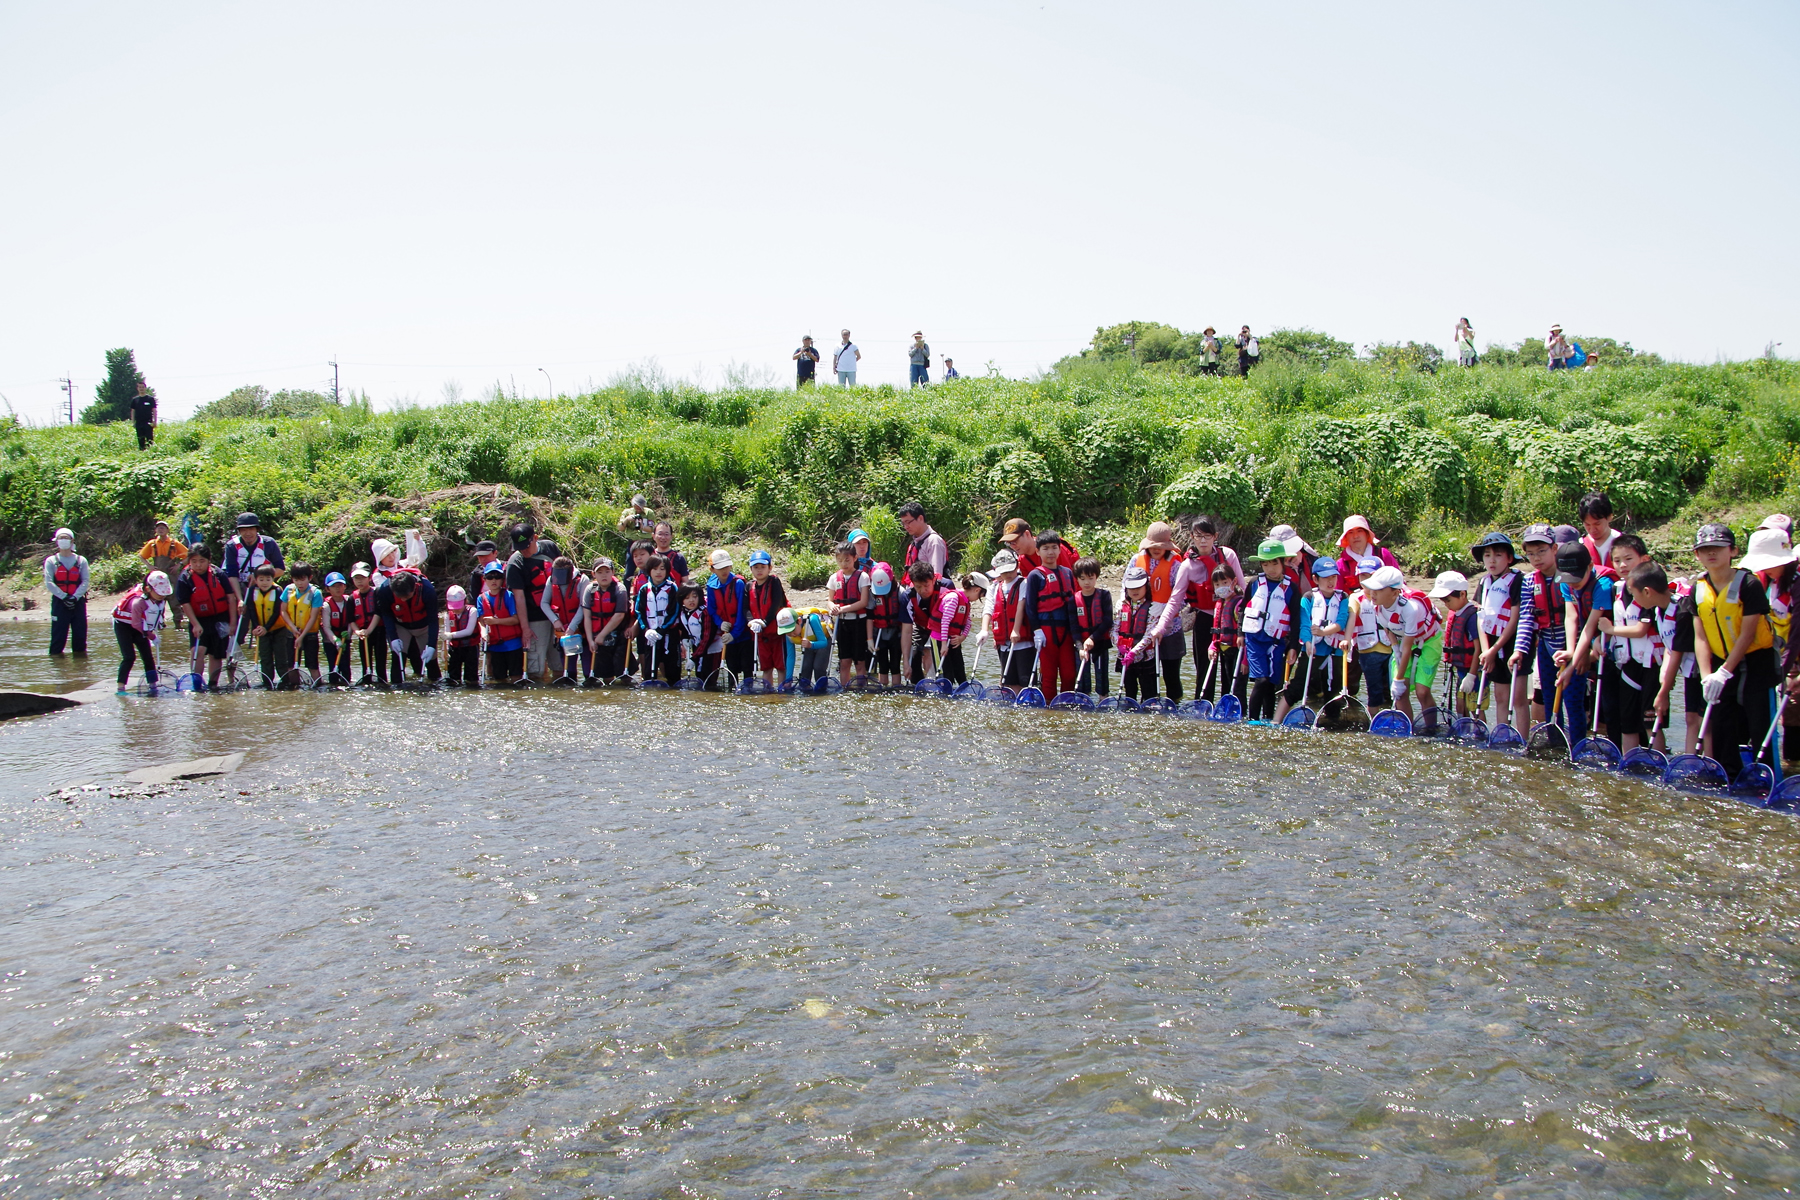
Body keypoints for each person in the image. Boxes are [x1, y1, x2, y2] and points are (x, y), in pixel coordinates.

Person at [1688, 523, 1779, 771]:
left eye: (1718, 548)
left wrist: (1725, 672)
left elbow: (1748, 634)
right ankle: (1728, 775)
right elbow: (1701, 637)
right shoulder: (1697, 589)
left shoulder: (1749, 584)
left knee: (1761, 726)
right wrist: (1707, 677)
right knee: (1721, 726)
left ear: (1733, 551)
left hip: (1755, 662)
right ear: (1697, 555)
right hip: (1718, 664)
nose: (1711, 554)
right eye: (1705, 549)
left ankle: (1766, 777)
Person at [1153, 517, 1243, 697]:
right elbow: (1175, 599)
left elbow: (1243, 590)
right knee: (1204, 671)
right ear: (1192, 537)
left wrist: (1245, 626)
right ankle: (1203, 708)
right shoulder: (1187, 566)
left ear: (1215, 537)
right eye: (1198, 536)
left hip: (1231, 620)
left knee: (1230, 671)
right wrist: (1160, 628)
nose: (1203, 540)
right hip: (1204, 619)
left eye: (1207, 536)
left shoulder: (1228, 556)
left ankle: (1231, 708)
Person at [1601, 562, 1675, 752]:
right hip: (1628, 664)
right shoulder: (1617, 591)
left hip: (1653, 665)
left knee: (1651, 722)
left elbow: (1647, 633)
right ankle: (1628, 763)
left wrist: (1610, 629)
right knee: (1627, 722)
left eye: (1628, 558)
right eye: (1616, 560)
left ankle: (1659, 761)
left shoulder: (1654, 601)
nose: (1622, 564)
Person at [1366, 565, 1444, 726]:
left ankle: (1431, 729)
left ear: (1395, 593)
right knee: (1400, 694)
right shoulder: (1376, 606)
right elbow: (1390, 632)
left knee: (1422, 691)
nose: (1372, 593)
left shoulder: (1410, 609)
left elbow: (1408, 647)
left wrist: (1399, 679)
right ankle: (1407, 731)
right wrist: (1395, 649)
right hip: (1402, 642)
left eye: (1378, 590)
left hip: (1427, 640)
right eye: (1371, 588)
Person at [1239, 538, 1301, 722]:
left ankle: (1268, 719)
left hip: (1277, 642)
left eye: (1274, 562)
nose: (1270, 568)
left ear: (1283, 562)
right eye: (1265, 564)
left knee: (1273, 683)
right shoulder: (1254, 583)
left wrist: (1294, 648)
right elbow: (1243, 608)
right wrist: (1240, 634)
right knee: (1262, 680)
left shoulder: (1292, 588)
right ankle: (1252, 720)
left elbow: (1296, 619)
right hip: (1255, 639)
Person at [1014, 530, 1080, 696]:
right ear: (1038, 551)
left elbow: (1073, 604)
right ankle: (1049, 709)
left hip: (1066, 631)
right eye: (1045, 548)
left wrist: (1077, 634)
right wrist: (1037, 631)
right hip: (1046, 631)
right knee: (1049, 675)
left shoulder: (1068, 573)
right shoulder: (1035, 575)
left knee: (1069, 674)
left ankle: (1066, 704)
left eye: (1054, 548)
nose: (1050, 552)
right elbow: (1030, 606)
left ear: (1059, 550)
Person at [1470, 532, 1525, 729]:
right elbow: (1481, 616)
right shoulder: (1484, 582)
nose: (1492, 560)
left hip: (1513, 642)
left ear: (1509, 558)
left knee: (1518, 698)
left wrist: (1495, 649)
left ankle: (1523, 740)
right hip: (1491, 644)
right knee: (1501, 696)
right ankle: (1502, 735)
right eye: (1487, 555)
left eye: (1498, 555)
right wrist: (1487, 651)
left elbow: (1515, 617)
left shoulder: (1517, 580)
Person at [1128, 521, 1185, 701]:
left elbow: (1183, 596)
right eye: (1153, 546)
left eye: (1161, 546)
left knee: (1171, 675)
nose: (1156, 550)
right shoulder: (1136, 560)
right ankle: (1148, 708)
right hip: (1142, 630)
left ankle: (1175, 706)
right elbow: (1126, 588)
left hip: (1170, 628)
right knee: (1148, 677)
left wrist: (1165, 608)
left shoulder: (1176, 565)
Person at [1290, 557, 1348, 718]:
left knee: (1333, 693)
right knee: (1301, 686)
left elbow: (1341, 622)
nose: (1331, 581)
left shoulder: (1342, 597)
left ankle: (1332, 723)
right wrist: (1307, 642)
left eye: (1334, 577)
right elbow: (1305, 624)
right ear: (1315, 579)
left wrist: (1323, 632)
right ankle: (1278, 718)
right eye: (1326, 577)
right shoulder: (1309, 598)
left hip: (1334, 653)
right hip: (1313, 650)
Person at [175, 545, 236, 690]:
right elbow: (185, 603)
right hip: (198, 619)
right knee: (198, 650)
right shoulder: (185, 578)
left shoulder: (218, 574)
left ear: (209, 560)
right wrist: (195, 624)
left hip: (220, 618)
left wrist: (232, 623)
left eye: (202, 561)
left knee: (216, 654)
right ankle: (197, 683)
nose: (198, 565)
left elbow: (231, 598)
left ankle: (213, 684)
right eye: (194, 561)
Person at [504, 523, 554, 681]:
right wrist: (525, 628)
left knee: (560, 664)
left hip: (558, 615)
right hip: (535, 619)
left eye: (526, 546)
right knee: (535, 669)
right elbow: (519, 598)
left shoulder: (550, 548)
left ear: (535, 538)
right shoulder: (515, 564)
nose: (524, 551)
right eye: (520, 548)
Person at [112, 570, 174, 691]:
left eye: (164, 593)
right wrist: (152, 636)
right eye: (159, 593)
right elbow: (136, 624)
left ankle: (153, 684)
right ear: (148, 589)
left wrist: (158, 626)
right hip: (124, 625)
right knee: (129, 657)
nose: (162, 596)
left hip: (141, 626)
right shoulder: (138, 602)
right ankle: (121, 687)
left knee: (147, 656)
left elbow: (157, 613)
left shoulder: (159, 598)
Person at [1346, 555, 1393, 712]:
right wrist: (1347, 640)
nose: (1367, 580)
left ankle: (1390, 716)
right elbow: (1351, 618)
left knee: (1391, 689)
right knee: (1374, 690)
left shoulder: (1388, 595)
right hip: (1368, 651)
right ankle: (1373, 720)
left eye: (1371, 576)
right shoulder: (1356, 597)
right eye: (1363, 575)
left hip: (1390, 649)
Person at [378, 567, 440, 683]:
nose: (402, 600)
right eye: (399, 597)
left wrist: (431, 645)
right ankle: (396, 688)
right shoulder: (385, 590)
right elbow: (386, 615)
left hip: (424, 625)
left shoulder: (427, 590)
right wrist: (393, 638)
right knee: (398, 657)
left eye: (406, 597)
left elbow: (433, 619)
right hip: (401, 625)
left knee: (430, 659)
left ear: (414, 588)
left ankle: (435, 685)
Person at [704, 550, 752, 689]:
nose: (724, 571)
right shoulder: (711, 585)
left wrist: (735, 633)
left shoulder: (738, 583)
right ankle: (733, 692)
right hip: (726, 633)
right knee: (732, 667)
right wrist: (720, 623)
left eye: (726, 567)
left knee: (746, 666)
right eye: (720, 568)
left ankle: (748, 690)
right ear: (712, 569)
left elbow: (741, 612)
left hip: (742, 633)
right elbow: (711, 609)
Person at [826, 541, 871, 685]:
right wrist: (832, 607)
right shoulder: (834, 578)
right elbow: (830, 600)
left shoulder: (862, 577)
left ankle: (861, 689)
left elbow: (863, 602)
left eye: (847, 560)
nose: (843, 564)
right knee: (844, 661)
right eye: (840, 560)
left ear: (855, 558)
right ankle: (845, 690)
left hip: (858, 622)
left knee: (859, 662)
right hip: (842, 623)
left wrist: (842, 609)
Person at [579, 558, 630, 684]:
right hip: (597, 636)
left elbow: (619, 615)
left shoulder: (620, 589)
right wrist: (591, 640)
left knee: (621, 672)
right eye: (600, 572)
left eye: (607, 571)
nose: (604, 575)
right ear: (593, 574)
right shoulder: (590, 590)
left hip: (617, 635)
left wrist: (602, 636)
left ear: (613, 572)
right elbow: (587, 617)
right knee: (606, 674)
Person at [1434, 571, 1478, 715]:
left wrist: (1471, 675)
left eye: (1448, 600)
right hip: (1460, 667)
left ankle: (1479, 733)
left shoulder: (1472, 617)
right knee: (1460, 704)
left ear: (1463, 594)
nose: (1446, 604)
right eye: (1443, 601)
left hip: (1474, 670)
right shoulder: (1456, 613)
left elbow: (1479, 648)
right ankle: (1462, 729)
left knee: (1475, 705)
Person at [633, 554, 681, 683]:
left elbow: (674, 611)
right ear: (649, 570)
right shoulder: (644, 590)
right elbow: (639, 611)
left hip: (669, 634)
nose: (658, 572)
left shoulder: (672, 588)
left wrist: (662, 630)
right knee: (649, 671)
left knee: (672, 671)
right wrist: (646, 630)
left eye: (662, 569)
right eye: (655, 569)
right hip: (651, 635)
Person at [745, 550, 789, 688]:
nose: (759, 570)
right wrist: (751, 621)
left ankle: (782, 691)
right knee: (766, 667)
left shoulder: (774, 582)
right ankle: (768, 692)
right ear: (751, 569)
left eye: (763, 567)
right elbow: (746, 608)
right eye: (756, 567)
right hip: (760, 635)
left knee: (781, 666)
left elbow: (776, 604)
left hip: (777, 633)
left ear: (769, 568)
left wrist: (765, 622)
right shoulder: (748, 586)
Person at [44, 527, 90, 655]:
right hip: (59, 603)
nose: (63, 540)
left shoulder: (81, 561)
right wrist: (64, 597)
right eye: (61, 538)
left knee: (80, 638)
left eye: (66, 538)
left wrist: (75, 597)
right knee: (58, 638)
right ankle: (58, 670)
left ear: (72, 540)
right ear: (56, 541)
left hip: (78, 602)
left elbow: (85, 581)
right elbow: (49, 582)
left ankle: (80, 669)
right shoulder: (51, 561)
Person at [477, 562, 524, 686]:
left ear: (502, 579)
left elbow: (515, 619)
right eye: (490, 577)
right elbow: (481, 621)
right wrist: (483, 633)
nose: (494, 580)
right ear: (485, 579)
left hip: (513, 644)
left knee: (516, 677)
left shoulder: (508, 596)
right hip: (495, 646)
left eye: (497, 577)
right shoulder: (481, 599)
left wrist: (496, 621)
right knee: (499, 680)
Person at [279, 563, 325, 687]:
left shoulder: (315, 593)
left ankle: (318, 688)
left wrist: (301, 636)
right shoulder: (288, 590)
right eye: (296, 580)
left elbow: (314, 616)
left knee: (312, 665)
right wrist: (293, 629)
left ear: (309, 578)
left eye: (302, 579)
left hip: (309, 634)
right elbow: (283, 610)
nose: (300, 583)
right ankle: (295, 690)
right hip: (292, 633)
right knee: (291, 666)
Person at [540, 555, 584, 684]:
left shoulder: (581, 580)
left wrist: (573, 626)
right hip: (562, 630)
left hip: (580, 628)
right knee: (568, 671)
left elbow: (583, 606)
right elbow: (544, 603)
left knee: (587, 671)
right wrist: (555, 620)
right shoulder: (550, 580)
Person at [1116, 566, 1158, 701]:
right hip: (1125, 656)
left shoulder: (1152, 607)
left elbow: (1149, 635)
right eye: (1131, 588)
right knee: (1129, 692)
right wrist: (1119, 644)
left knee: (1148, 692)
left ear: (1146, 586)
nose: (1135, 591)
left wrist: (1135, 651)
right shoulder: (1122, 606)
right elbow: (1114, 629)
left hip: (1145, 657)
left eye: (1138, 587)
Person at [243, 563, 288, 688]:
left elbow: (276, 612)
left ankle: (286, 682)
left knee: (281, 658)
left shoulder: (277, 590)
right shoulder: (252, 591)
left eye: (268, 579)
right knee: (265, 658)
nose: (264, 582)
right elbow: (251, 610)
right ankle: (267, 683)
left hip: (278, 629)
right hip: (261, 630)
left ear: (273, 579)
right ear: (256, 580)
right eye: (261, 580)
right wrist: (256, 627)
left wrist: (266, 628)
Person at [221, 514, 284, 604]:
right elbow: (232, 575)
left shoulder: (269, 543)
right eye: (244, 530)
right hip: (241, 589)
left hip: (264, 589)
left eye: (251, 529)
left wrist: (259, 577)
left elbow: (281, 569)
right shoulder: (232, 546)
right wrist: (240, 600)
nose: (248, 533)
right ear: (239, 531)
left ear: (257, 530)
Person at [1072, 558, 1112, 696]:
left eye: (1090, 578)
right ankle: (1084, 701)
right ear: (1077, 579)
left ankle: (1103, 699)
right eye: (1082, 578)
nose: (1087, 582)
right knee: (1083, 681)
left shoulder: (1104, 596)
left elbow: (1108, 620)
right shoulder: (1073, 599)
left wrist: (1093, 638)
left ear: (1096, 577)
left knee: (1102, 679)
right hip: (1082, 646)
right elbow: (1074, 625)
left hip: (1100, 643)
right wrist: (1079, 647)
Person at [1335, 515, 1401, 584]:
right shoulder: (1341, 564)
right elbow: (1338, 592)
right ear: (1346, 537)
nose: (1355, 536)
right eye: (1351, 532)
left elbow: (1399, 582)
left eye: (1359, 531)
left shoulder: (1382, 554)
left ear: (1367, 534)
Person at [350, 564, 386, 685]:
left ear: (369, 578)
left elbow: (378, 613)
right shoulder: (352, 598)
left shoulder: (377, 593)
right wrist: (357, 632)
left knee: (380, 664)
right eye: (356, 578)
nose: (359, 581)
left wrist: (369, 630)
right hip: (362, 634)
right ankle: (366, 684)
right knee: (366, 665)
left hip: (378, 631)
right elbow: (351, 619)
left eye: (362, 577)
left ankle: (383, 685)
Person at [867, 567, 903, 687]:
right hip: (879, 634)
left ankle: (896, 688)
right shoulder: (872, 592)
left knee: (895, 664)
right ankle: (882, 689)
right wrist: (869, 639)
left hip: (895, 633)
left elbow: (906, 620)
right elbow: (869, 617)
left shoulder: (900, 591)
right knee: (882, 664)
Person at [782, 606, 833, 689]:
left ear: (799, 621)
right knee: (805, 668)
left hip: (823, 640)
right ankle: (806, 692)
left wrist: (811, 644)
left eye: (793, 630)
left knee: (818, 667)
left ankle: (822, 691)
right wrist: (788, 680)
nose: (791, 634)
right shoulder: (787, 634)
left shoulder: (812, 619)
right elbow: (790, 656)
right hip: (808, 643)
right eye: (788, 633)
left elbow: (824, 642)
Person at [442, 585, 480, 686]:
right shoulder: (448, 615)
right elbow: (446, 634)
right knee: (453, 678)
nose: (455, 609)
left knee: (471, 678)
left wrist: (450, 635)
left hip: (470, 648)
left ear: (464, 601)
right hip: (454, 648)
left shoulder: (472, 611)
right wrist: (444, 650)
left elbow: (469, 631)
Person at [323, 572, 356, 685]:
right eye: (334, 586)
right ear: (328, 589)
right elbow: (326, 627)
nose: (338, 589)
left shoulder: (349, 601)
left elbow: (351, 621)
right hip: (330, 640)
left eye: (340, 585)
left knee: (345, 666)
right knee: (333, 667)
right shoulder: (326, 606)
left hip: (345, 637)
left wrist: (349, 633)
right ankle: (333, 687)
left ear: (345, 586)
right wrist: (335, 640)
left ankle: (347, 685)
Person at [1578, 492, 1617, 568]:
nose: (1592, 530)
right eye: (1587, 524)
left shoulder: (1624, 543)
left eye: (1597, 524)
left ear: (1610, 517)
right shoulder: (1580, 545)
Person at [130, 383, 157, 450]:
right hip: (139, 423)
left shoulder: (150, 399)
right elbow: (133, 411)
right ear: (137, 388)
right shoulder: (135, 400)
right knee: (141, 439)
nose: (141, 389)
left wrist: (154, 421)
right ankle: (142, 453)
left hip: (148, 422)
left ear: (145, 388)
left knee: (149, 440)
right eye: (140, 387)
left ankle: (151, 453)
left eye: (143, 387)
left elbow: (154, 410)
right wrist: (133, 422)